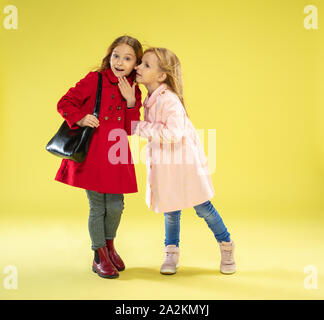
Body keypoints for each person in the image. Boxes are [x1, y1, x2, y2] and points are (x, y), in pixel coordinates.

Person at [132, 47, 236, 275]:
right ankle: (171, 253)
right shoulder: (149, 98)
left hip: (185, 166)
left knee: (203, 207)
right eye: (139, 63)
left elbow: (173, 134)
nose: (138, 67)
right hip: (166, 167)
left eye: (145, 65)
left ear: (161, 76)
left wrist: (138, 127)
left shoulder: (169, 100)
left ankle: (226, 245)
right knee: (171, 210)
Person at [54, 35, 143, 279]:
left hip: (116, 154)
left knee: (116, 205)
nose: (120, 62)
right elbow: (65, 102)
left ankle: (109, 246)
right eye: (116, 55)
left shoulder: (135, 88)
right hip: (93, 153)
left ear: (136, 63)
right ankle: (98, 255)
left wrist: (131, 101)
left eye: (127, 58)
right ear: (109, 56)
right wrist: (81, 117)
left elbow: (131, 129)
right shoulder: (95, 79)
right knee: (98, 206)